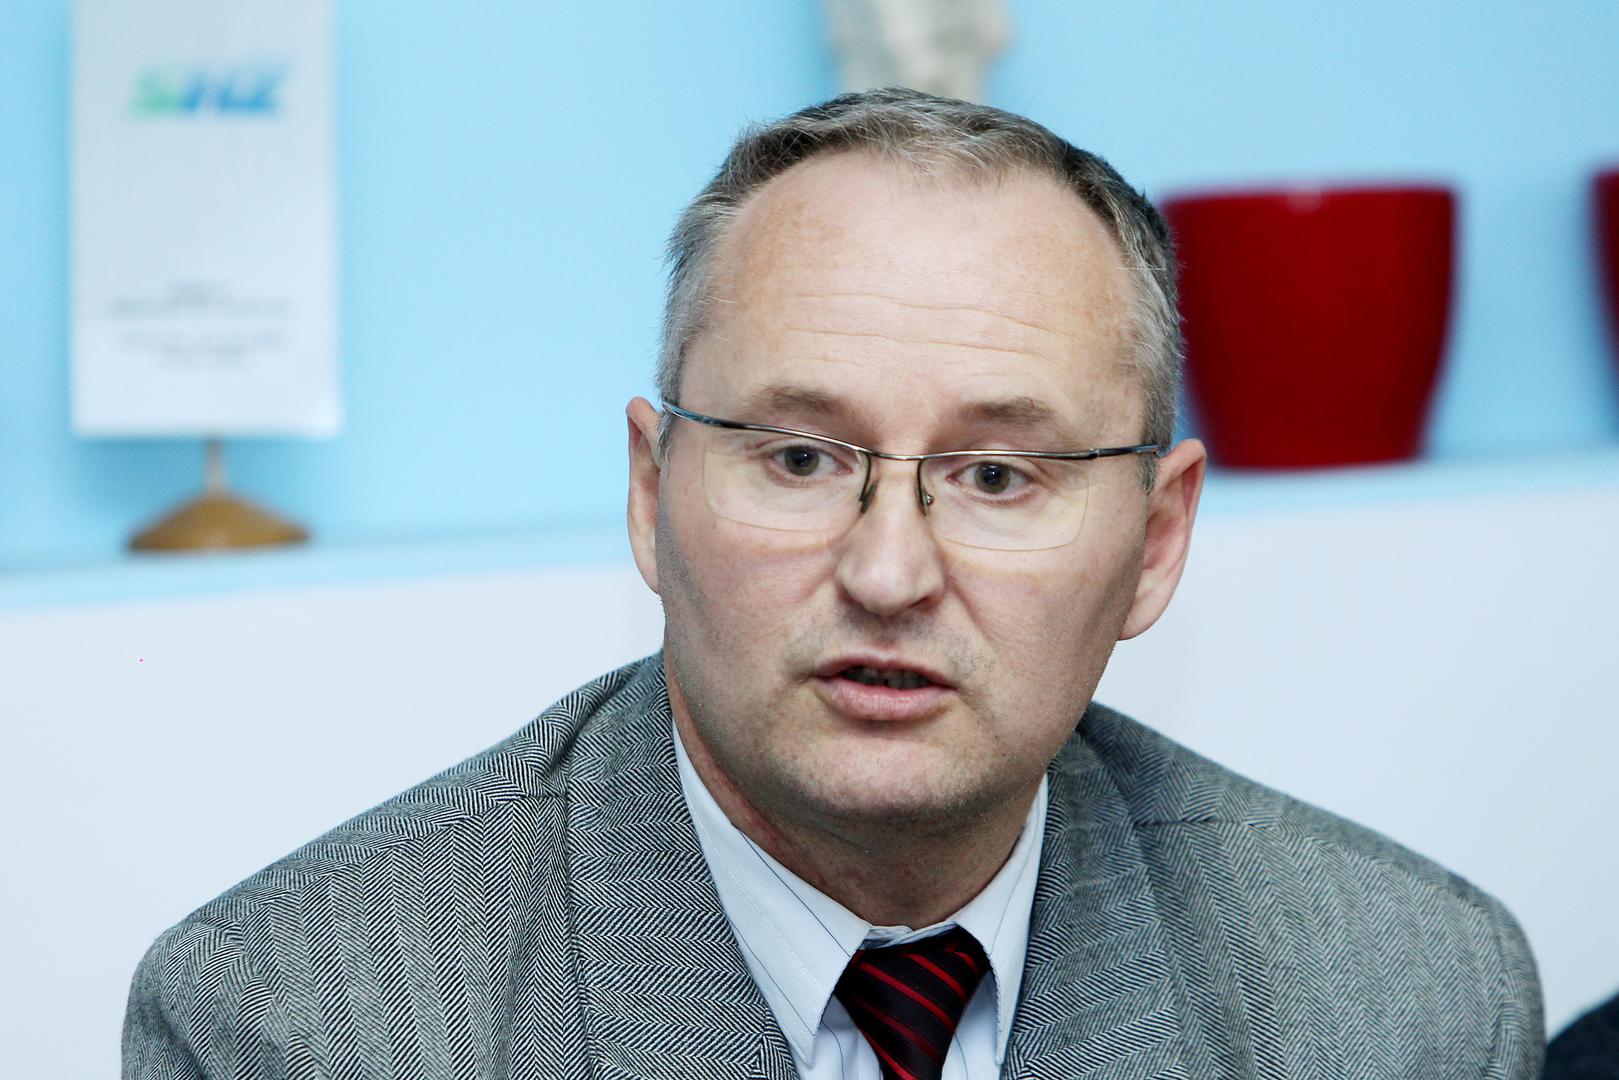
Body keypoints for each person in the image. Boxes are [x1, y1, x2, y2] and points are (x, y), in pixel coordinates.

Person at [123, 88, 1544, 1079]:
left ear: (1156, 544)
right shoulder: (298, 1027)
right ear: (651, 494)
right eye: (800, 459)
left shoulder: (1406, 1000)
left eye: (999, 475)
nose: (888, 571)